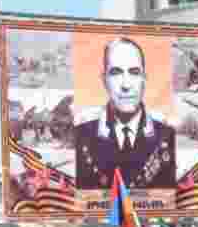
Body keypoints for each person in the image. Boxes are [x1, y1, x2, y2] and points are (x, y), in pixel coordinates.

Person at [75, 37, 177, 190]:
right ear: (104, 80)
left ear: (144, 79)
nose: (126, 85)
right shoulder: (81, 136)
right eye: (116, 72)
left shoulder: (168, 136)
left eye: (134, 72)